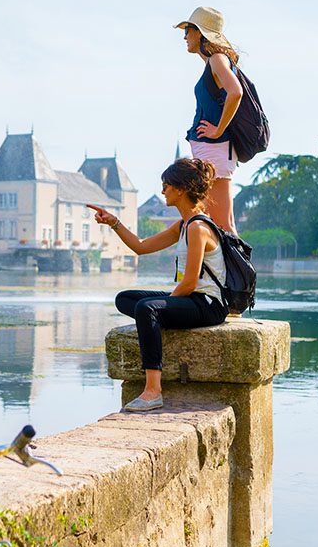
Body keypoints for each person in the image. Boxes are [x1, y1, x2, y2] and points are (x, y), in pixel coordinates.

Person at [87, 158, 228, 412]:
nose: (162, 190)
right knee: (126, 299)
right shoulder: (184, 225)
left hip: (208, 305)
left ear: (181, 188)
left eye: (166, 185)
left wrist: (165, 305)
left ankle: (153, 391)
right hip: (191, 298)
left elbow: (190, 281)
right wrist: (113, 222)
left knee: (146, 309)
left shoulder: (198, 227)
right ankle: (154, 321)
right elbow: (141, 246)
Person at [175, 6, 243, 232]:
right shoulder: (213, 63)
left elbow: (236, 92)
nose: (185, 36)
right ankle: (223, 268)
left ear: (201, 33)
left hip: (214, 148)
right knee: (218, 220)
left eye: (188, 30)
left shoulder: (217, 59)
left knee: (222, 223)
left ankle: (238, 269)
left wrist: (217, 129)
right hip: (212, 150)